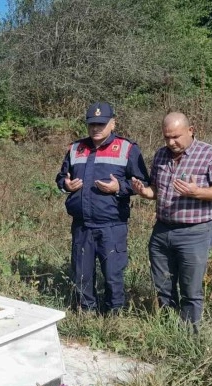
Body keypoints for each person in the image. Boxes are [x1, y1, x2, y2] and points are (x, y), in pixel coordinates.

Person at [131, 112, 212, 332]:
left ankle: (188, 334)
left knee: (190, 288)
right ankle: (169, 326)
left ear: (191, 130)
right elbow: (157, 191)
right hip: (162, 230)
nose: (171, 142)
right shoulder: (161, 155)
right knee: (163, 284)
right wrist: (143, 191)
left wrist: (198, 192)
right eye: (167, 137)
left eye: (176, 136)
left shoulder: (211, 154)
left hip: (194, 232)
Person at [55, 102, 149, 314]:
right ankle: (86, 315)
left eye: (101, 124)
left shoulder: (128, 149)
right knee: (82, 275)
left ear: (112, 123)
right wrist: (66, 185)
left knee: (113, 275)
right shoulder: (75, 148)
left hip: (112, 226)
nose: (96, 128)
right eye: (91, 124)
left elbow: (143, 183)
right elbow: (61, 177)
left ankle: (114, 316)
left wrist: (120, 187)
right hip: (82, 226)